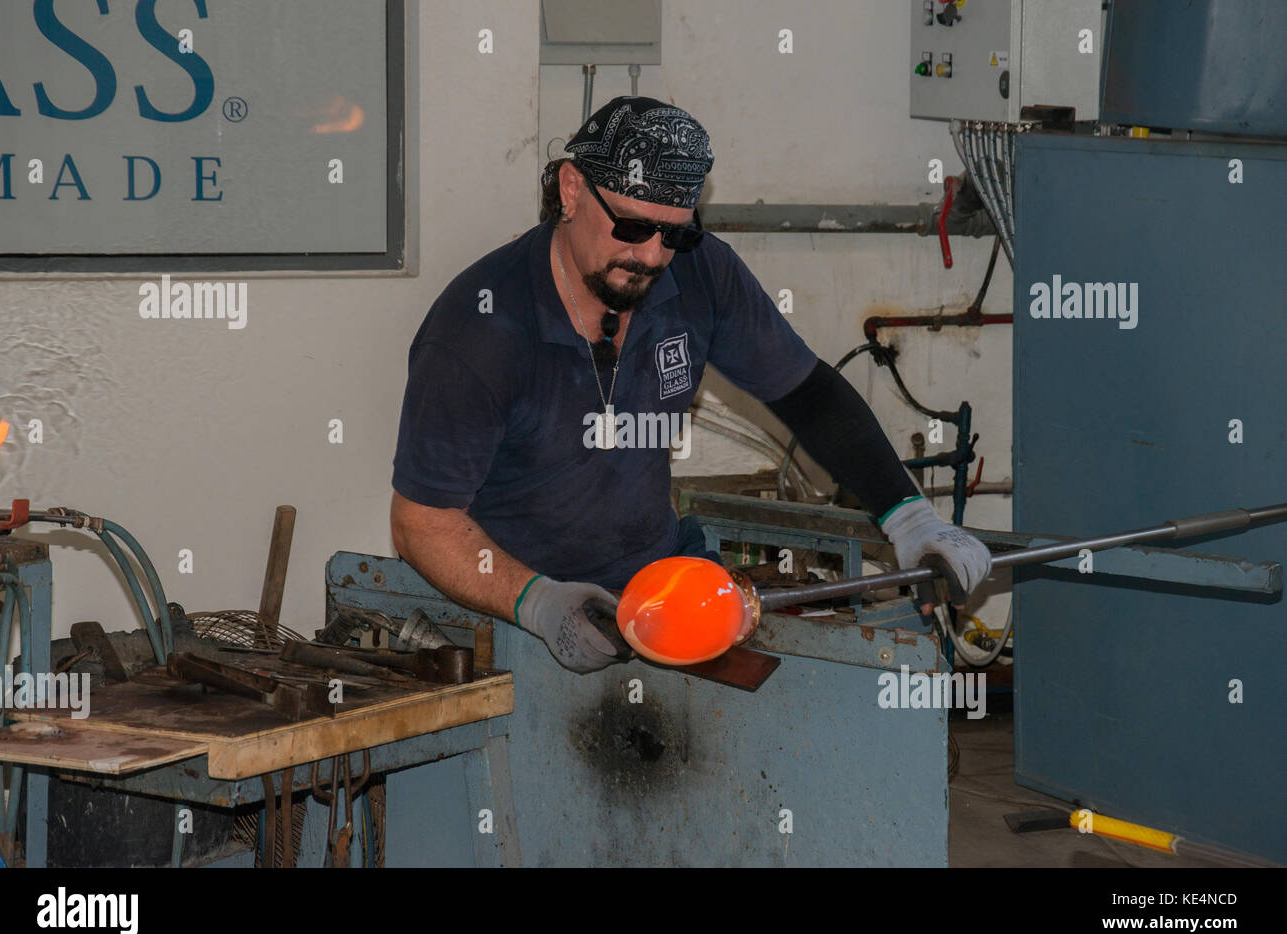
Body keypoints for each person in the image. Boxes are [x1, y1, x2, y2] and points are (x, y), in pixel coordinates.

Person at [392, 96, 991, 674]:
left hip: (658, 589)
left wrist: (910, 517)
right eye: (632, 227)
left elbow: (808, 395)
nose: (652, 257)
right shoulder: (480, 328)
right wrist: (539, 603)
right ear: (571, 190)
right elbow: (421, 522)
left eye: (674, 234)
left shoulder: (702, 274)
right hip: (509, 609)